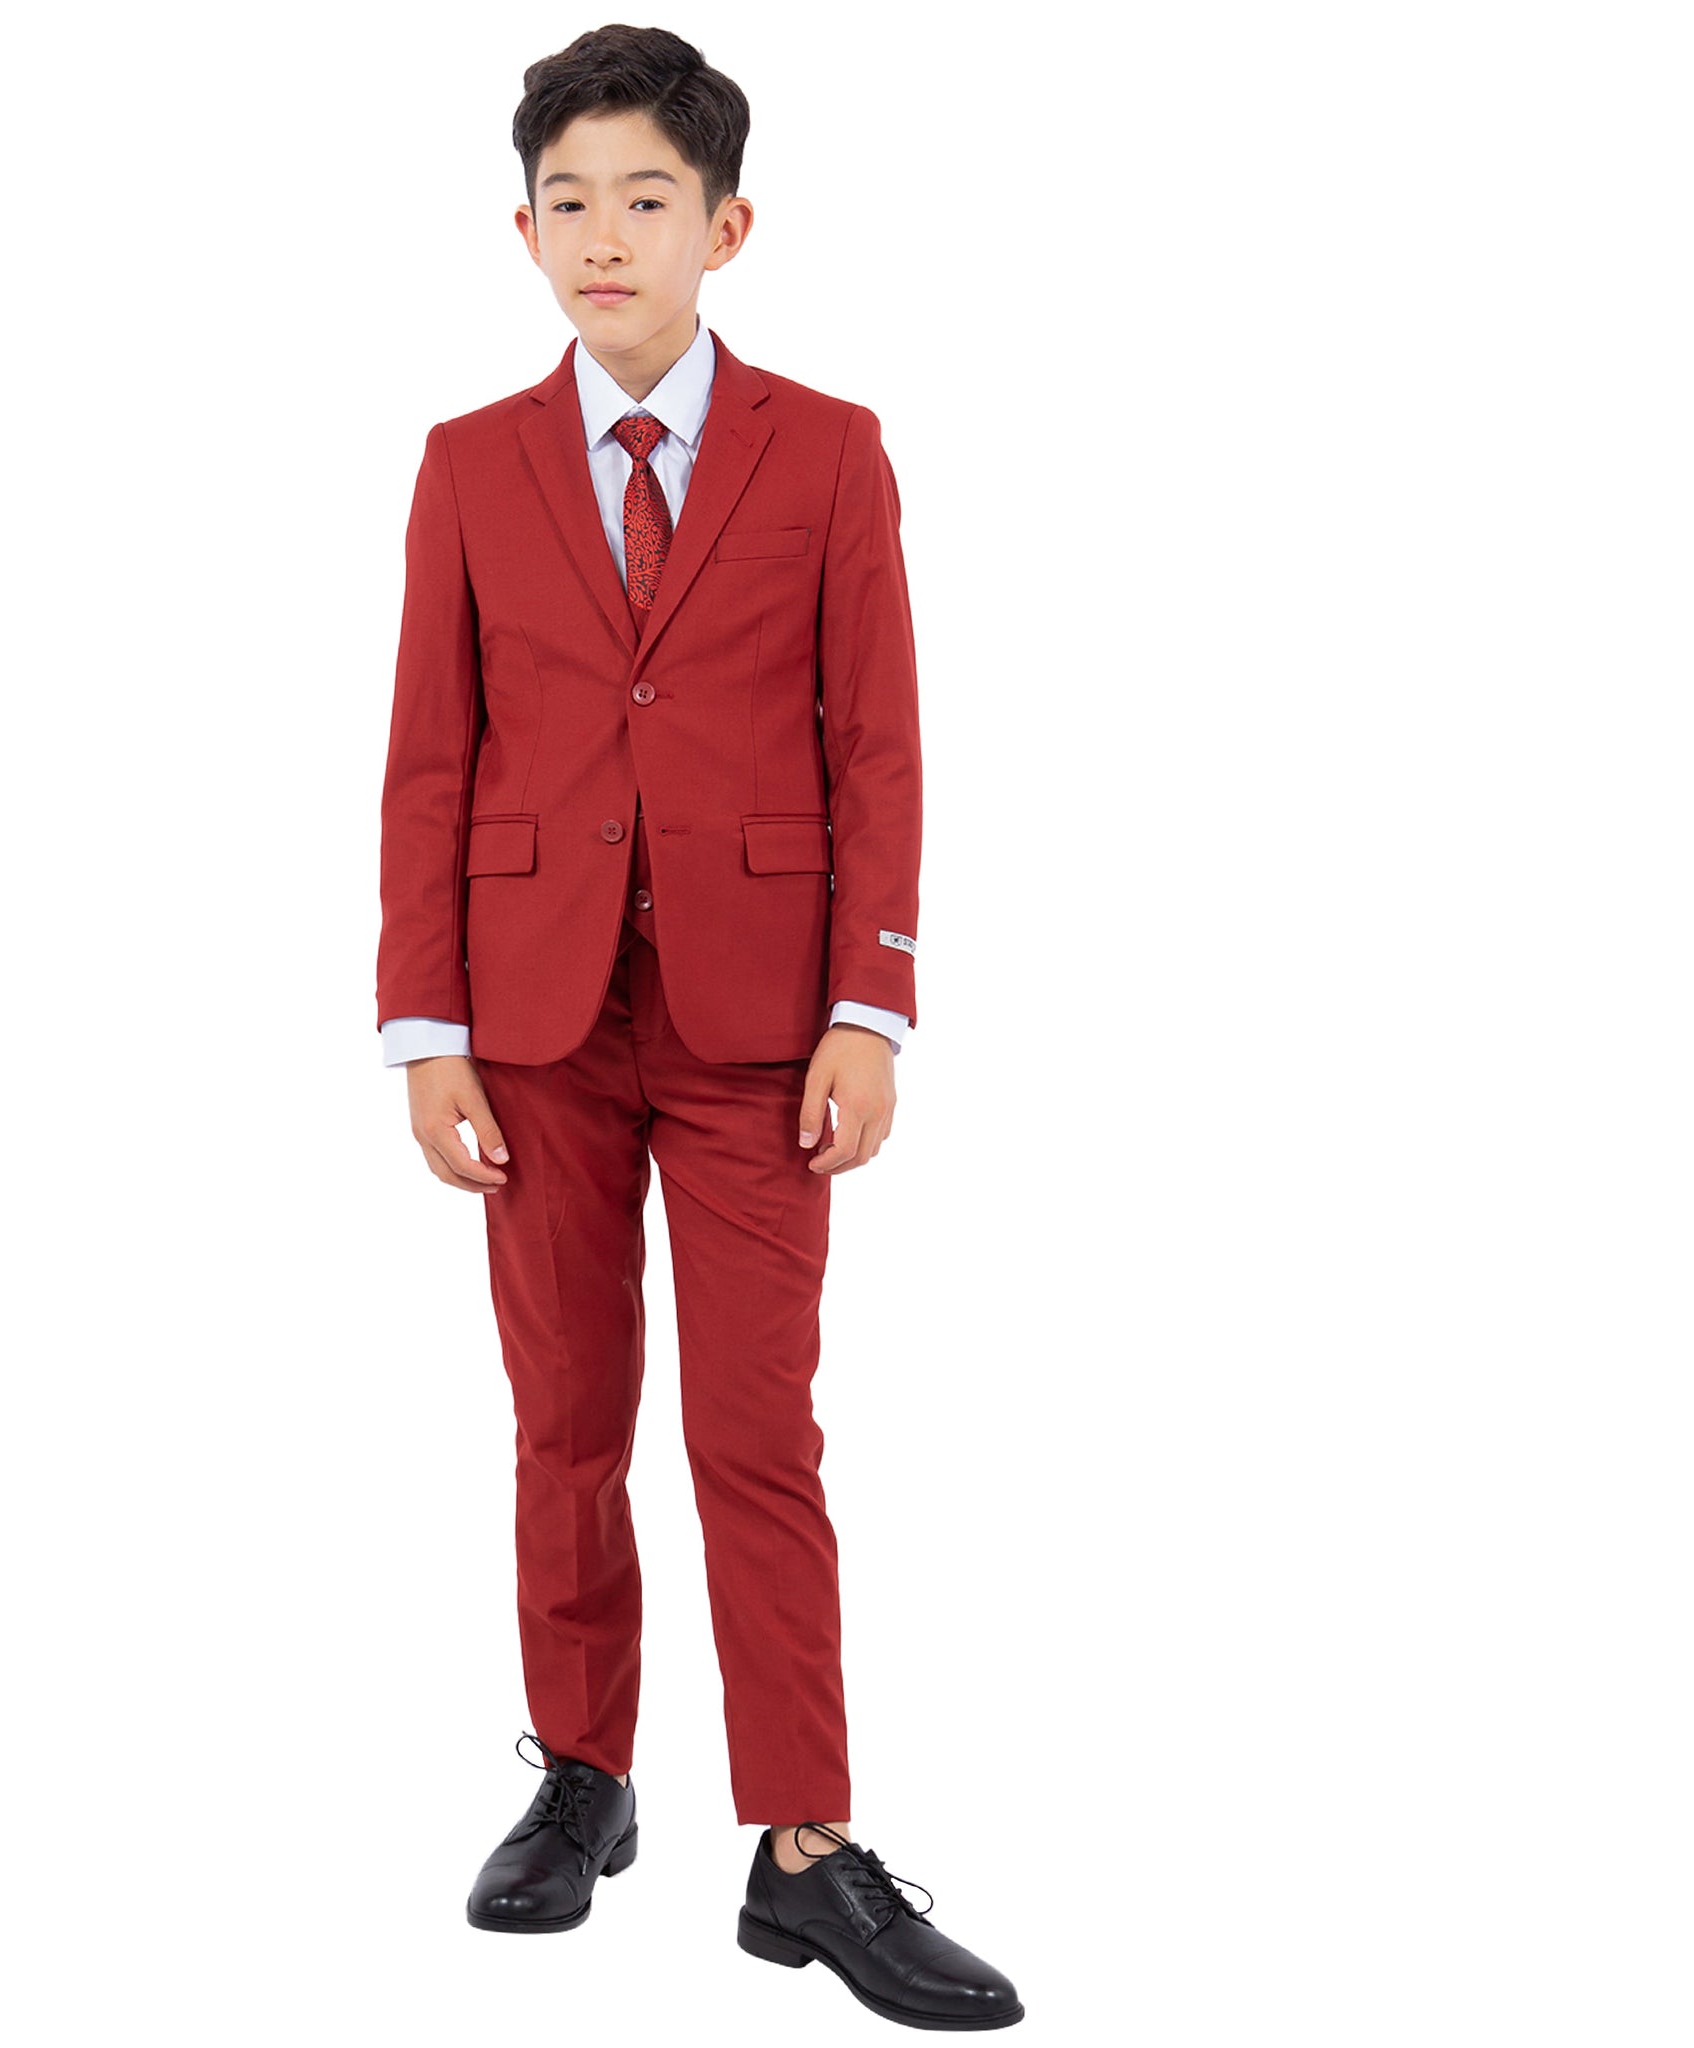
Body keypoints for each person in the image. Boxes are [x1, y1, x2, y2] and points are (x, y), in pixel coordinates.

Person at [374, 24, 1023, 2030]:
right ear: (521, 228)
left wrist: (870, 1004)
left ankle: (805, 1850)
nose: (603, 236)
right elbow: (428, 757)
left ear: (725, 227)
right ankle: (582, 1775)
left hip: (762, 1027)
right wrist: (425, 1025)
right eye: (565, 200)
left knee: (757, 1429)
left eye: (645, 198)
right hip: (534, 1023)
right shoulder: (467, 464)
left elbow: (879, 741)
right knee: (564, 1419)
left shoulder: (826, 449)